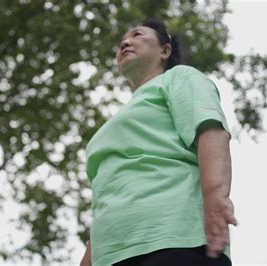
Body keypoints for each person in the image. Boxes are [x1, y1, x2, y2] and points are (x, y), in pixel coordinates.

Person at [80, 18, 238, 266]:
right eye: (122, 41)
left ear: (165, 50)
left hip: (174, 241)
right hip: (112, 256)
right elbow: (106, 194)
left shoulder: (178, 78)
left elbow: (211, 131)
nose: (125, 42)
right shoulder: (119, 119)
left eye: (137, 35)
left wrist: (216, 199)